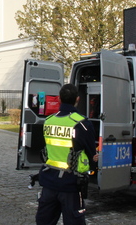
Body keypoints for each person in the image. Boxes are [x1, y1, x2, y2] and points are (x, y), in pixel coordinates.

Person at [35, 84, 99, 225]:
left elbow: (46, 148)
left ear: (59, 99)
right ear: (78, 99)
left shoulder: (48, 121)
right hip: (71, 184)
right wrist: (93, 165)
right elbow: (91, 153)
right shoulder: (82, 123)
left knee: (44, 221)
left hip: (49, 181)